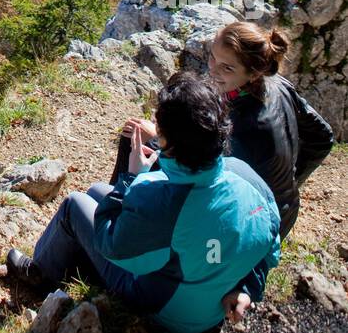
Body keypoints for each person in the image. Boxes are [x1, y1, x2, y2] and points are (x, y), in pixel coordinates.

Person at [6, 72, 281, 333]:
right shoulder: (248, 179)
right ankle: (74, 258)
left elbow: (113, 243)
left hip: (165, 314)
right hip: (212, 307)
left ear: (169, 143)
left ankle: (40, 276)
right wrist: (246, 289)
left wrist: (133, 179)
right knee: (97, 191)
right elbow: (267, 249)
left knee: (74, 205)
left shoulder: (158, 201)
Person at [109, 23, 334, 240]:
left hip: (246, 226)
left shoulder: (245, 127)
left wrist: (158, 137)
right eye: (212, 57)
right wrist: (288, 183)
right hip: (279, 215)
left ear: (253, 73)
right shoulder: (277, 84)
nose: (212, 70)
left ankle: (116, 223)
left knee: (136, 140)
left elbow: (197, 173)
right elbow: (322, 136)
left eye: (227, 67)